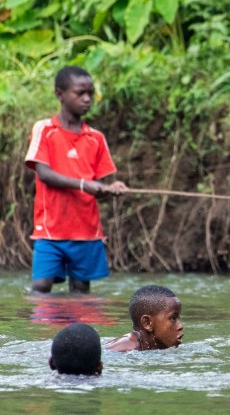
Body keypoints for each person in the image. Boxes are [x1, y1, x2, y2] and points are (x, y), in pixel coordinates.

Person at [25, 66, 128, 294]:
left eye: (90, 93)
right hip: (50, 230)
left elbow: (98, 188)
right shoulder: (44, 129)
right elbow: (44, 174)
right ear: (60, 94)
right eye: (80, 93)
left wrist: (111, 188)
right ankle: (42, 321)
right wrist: (83, 184)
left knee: (81, 291)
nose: (87, 99)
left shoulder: (96, 138)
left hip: (86, 230)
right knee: (41, 286)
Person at [105, 285, 183, 352]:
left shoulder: (152, 347)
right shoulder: (125, 349)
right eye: (173, 318)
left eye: (178, 318)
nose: (180, 326)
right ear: (147, 323)